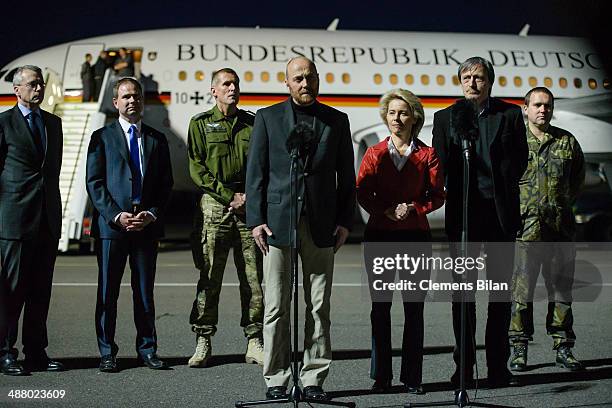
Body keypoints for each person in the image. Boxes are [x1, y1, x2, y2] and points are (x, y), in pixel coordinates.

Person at [246, 56, 355, 401]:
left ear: (318, 79)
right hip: (278, 224)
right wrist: (255, 219)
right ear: (287, 82)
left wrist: (344, 221)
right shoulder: (268, 118)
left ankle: (313, 378)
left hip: (322, 224)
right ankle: (276, 377)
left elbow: (346, 177)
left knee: (318, 306)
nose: (304, 83)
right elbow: (257, 173)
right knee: (277, 305)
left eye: (310, 77)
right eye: (298, 78)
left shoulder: (336, 121)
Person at [432, 56, 528, 388]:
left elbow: (520, 160)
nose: (473, 83)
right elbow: (439, 165)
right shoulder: (446, 118)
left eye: (479, 77)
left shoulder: (511, 114)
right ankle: (465, 368)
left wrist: (499, 187)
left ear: (490, 81)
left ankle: (497, 368)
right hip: (463, 219)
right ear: (460, 82)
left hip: (498, 217)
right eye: (467, 77)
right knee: (463, 297)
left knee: (500, 296)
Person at [357, 89, 444, 395]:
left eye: (403, 112)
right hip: (380, 237)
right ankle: (381, 376)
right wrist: (384, 210)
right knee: (380, 308)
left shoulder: (428, 154)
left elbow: (437, 195)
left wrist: (413, 208)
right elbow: (362, 192)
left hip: (415, 239)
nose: (396, 118)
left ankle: (412, 377)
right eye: (392, 113)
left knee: (413, 310)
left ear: (414, 117)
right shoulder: (374, 154)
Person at [86, 77, 173, 373]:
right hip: (113, 228)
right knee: (107, 293)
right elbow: (95, 183)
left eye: (136, 96)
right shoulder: (101, 137)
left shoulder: (157, 139)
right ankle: (107, 352)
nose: (131, 101)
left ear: (142, 101)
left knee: (144, 293)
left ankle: (147, 349)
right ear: (116, 103)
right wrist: (115, 215)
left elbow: (165, 185)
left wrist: (151, 213)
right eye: (125, 97)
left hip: (145, 226)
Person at [186, 68, 264, 368]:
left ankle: (254, 339)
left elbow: (261, 165)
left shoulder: (252, 124)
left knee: (253, 279)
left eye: (235, 84)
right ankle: (203, 339)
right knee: (209, 278)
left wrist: (247, 198)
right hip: (215, 208)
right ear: (214, 90)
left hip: (248, 209)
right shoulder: (200, 124)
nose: (232, 88)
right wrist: (228, 196)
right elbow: (197, 168)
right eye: (226, 84)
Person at [509, 87, 585, 372]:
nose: (543, 110)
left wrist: (560, 206)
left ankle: (563, 348)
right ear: (525, 108)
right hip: (525, 232)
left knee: (562, 292)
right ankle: (519, 348)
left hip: (559, 232)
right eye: (538, 105)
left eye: (548, 105)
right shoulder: (514, 143)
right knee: (521, 293)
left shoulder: (567, 142)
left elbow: (576, 180)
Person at [0, 65, 64, 375]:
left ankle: (36, 352)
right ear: (17, 89)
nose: (38, 89)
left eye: (40, 84)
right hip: (14, 221)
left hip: (46, 221)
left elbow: (51, 174)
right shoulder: (4, 123)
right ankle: (5, 352)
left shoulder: (54, 124)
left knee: (41, 293)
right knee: (11, 292)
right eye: (32, 84)